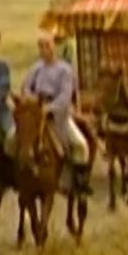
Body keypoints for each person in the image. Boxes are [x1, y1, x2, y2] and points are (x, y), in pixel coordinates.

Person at [20, 32, 92, 194]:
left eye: (48, 46)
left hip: (58, 117)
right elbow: (26, 86)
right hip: (36, 113)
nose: (45, 50)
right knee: (14, 138)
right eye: (42, 46)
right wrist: (32, 100)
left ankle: (78, 183)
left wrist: (49, 107)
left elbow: (65, 97)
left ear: (54, 47)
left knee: (80, 145)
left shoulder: (64, 70)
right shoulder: (36, 68)